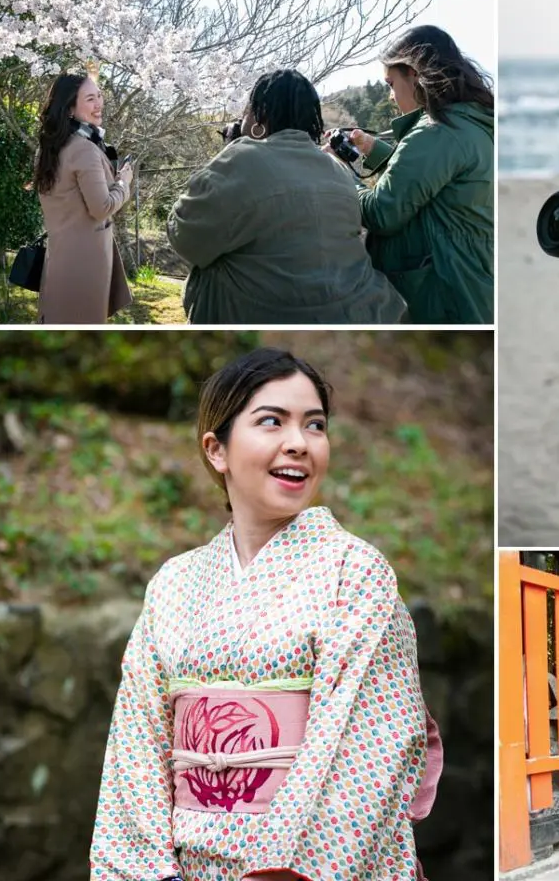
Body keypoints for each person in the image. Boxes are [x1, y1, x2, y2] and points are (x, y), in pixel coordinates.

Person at [89, 348, 438, 881]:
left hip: (309, 863)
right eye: (272, 421)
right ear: (217, 449)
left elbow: (368, 746)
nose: (299, 442)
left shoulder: (355, 572)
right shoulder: (173, 584)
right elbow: (136, 746)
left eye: (315, 425)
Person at [168, 69, 407, 324]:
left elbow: (185, 237)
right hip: (361, 311)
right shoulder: (337, 168)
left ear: (260, 115)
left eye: (247, 110)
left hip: (260, 316)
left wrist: (227, 154)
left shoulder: (241, 158)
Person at [336, 25, 494, 324]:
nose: (391, 96)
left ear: (415, 74)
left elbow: (382, 213)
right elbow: (431, 183)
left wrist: (340, 174)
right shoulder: (471, 121)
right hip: (471, 282)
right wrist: (374, 149)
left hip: (442, 295)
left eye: (391, 84)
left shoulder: (436, 132)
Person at [33, 73, 133, 323]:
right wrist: (124, 182)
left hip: (58, 259)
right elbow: (102, 207)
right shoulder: (84, 149)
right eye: (90, 99)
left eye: (99, 96)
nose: (99, 104)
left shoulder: (47, 149)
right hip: (86, 265)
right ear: (69, 108)